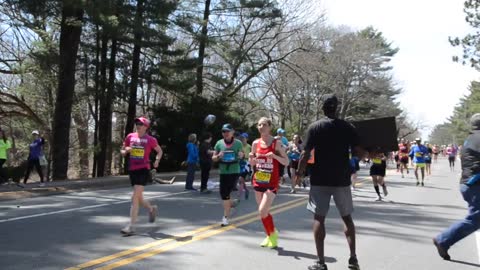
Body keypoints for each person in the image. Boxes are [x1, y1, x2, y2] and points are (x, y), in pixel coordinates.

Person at [296, 95, 362, 270]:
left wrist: (300, 173)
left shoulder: (315, 127)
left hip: (319, 178)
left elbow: (305, 154)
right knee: (347, 218)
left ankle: (321, 262)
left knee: (319, 218)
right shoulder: (348, 127)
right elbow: (358, 152)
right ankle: (353, 259)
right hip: (341, 179)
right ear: (337, 108)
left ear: (323, 108)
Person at [433, 113, 480, 261]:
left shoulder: (471, 138)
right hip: (475, 184)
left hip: (468, 184)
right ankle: (443, 239)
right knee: (476, 219)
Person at [249, 117, 289, 248]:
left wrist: (275, 156)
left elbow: (286, 162)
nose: (261, 127)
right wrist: (252, 160)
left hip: (271, 182)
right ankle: (269, 234)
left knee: (262, 210)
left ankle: (273, 236)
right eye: (259, 125)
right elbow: (253, 163)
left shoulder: (276, 143)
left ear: (270, 127)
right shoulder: (255, 143)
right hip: (258, 180)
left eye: (264, 124)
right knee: (263, 212)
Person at [120, 117, 162, 235]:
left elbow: (159, 151)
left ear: (146, 127)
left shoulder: (150, 140)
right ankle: (151, 209)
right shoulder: (130, 136)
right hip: (132, 170)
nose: (137, 125)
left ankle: (131, 227)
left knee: (134, 198)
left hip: (143, 169)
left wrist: (157, 160)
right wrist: (126, 150)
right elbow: (122, 151)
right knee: (139, 198)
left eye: (140, 124)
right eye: (136, 123)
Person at [212, 124, 244, 226]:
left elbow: (242, 154)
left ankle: (225, 217)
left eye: (227, 131)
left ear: (232, 132)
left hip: (234, 171)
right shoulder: (219, 143)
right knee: (224, 194)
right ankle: (230, 205)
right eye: (223, 131)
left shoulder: (238, 143)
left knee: (226, 193)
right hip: (223, 172)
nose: (225, 133)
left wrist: (241, 155)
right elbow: (214, 158)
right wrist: (218, 156)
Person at [238, 133, 251, 200]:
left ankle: (238, 197)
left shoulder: (249, 146)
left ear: (247, 139)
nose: (242, 139)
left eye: (244, 138)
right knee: (241, 180)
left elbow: (252, 155)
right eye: (241, 138)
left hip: (246, 164)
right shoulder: (239, 146)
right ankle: (246, 190)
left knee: (240, 179)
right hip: (240, 163)